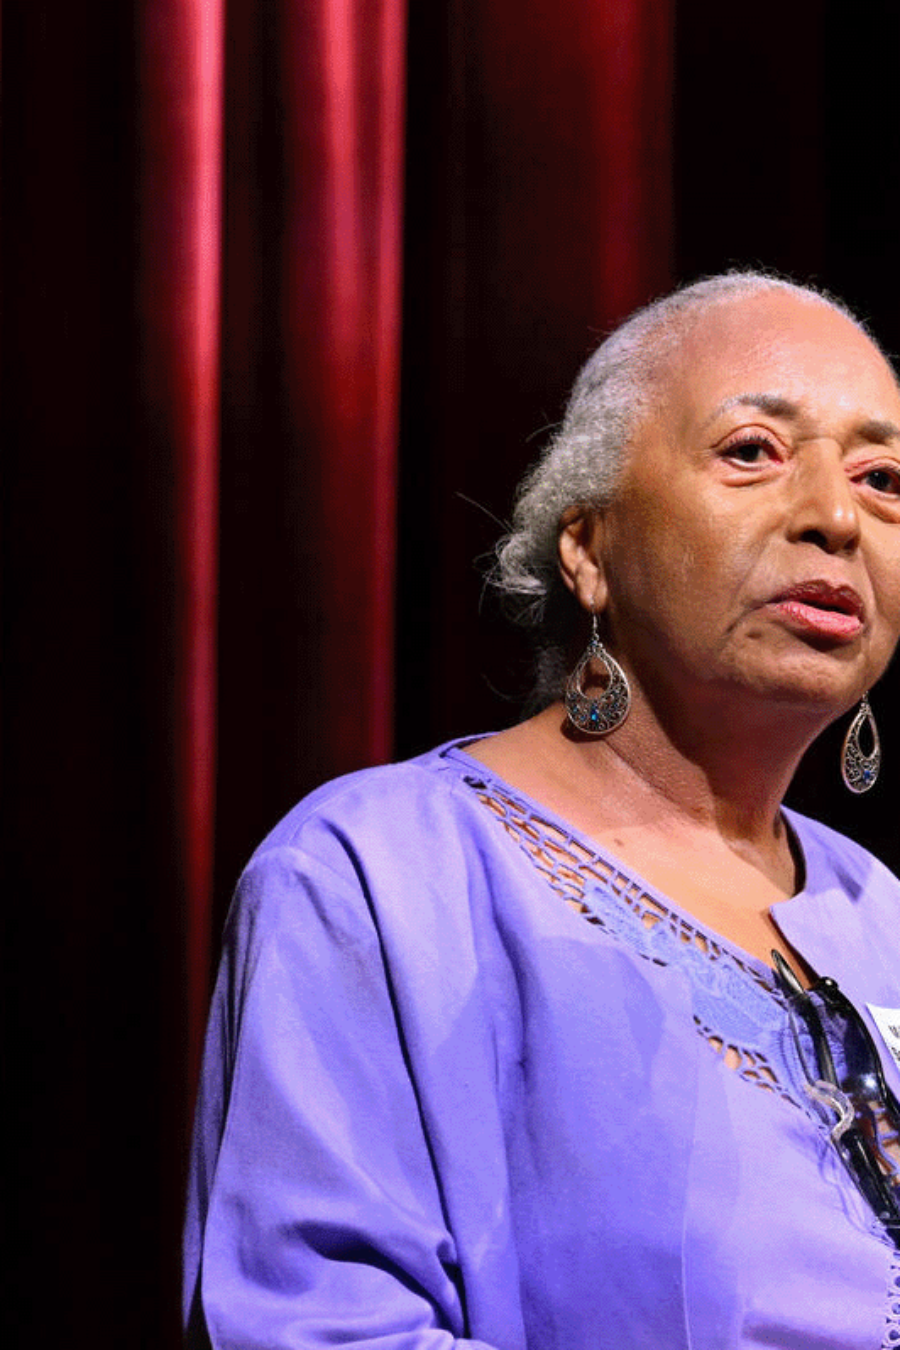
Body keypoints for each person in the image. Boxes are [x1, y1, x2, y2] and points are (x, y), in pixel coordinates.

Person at [184, 272, 900, 1349]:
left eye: (883, 477)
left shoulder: (879, 909)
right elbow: (317, 1328)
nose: (836, 518)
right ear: (587, 546)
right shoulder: (377, 877)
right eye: (751, 450)